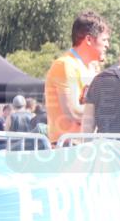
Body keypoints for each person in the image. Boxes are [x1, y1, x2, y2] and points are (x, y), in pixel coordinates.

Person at [45, 10, 110, 143]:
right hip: (67, 148)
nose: (107, 45)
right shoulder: (65, 64)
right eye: (104, 40)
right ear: (89, 40)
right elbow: (73, 112)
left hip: (84, 146)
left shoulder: (91, 68)